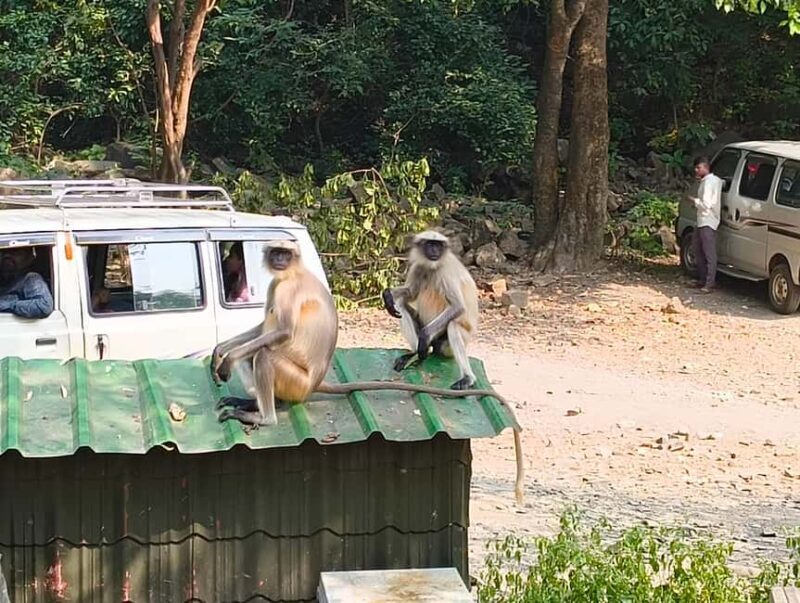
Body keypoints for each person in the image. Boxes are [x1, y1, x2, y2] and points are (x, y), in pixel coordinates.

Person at [690, 156, 724, 294]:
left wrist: (694, 201)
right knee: (697, 249)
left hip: (708, 220)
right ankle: (703, 279)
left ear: (705, 167)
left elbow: (706, 205)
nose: (696, 170)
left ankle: (709, 283)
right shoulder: (714, 181)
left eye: (698, 168)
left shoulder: (709, 183)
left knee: (708, 253)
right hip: (702, 220)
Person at [0, 247, 54, 318]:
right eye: (3, 252)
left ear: (29, 259)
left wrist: (8, 304)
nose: (8, 255)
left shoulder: (31, 278)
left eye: (15, 252)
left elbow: (44, 306)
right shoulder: (5, 278)